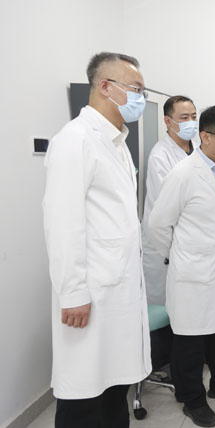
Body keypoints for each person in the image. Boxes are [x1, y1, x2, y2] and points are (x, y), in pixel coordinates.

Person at [42, 51, 151, 428]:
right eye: (136, 89)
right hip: (89, 295)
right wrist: (73, 292)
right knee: (83, 398)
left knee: (112, 391)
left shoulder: (117, 144)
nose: (141, 98)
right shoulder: (74, 140)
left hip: (116, 292)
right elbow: (62, 223)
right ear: (105, 86)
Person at [148, 106, 215, 427]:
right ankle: (192, 399)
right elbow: (158, 225)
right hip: (192, 276)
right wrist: (181, 257)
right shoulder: (183, 174)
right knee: (190, 344)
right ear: (205, 137)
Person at [142, 95, 198, 305]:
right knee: (165, 306)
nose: (191, 122)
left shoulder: (199, 149)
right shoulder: (160, 155)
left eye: (194, 116)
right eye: (184, 117)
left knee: (187, 305)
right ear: (168, 121)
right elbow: (167, 207)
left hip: (191, 242)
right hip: (165, 244)